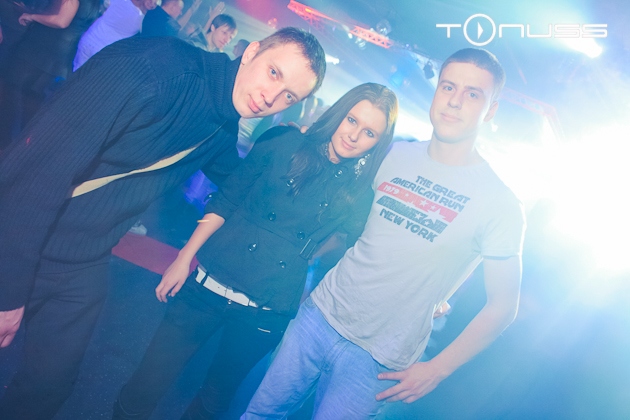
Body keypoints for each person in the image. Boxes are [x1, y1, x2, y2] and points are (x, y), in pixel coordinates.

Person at [0, 27, 325, 419]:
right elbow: (34, 175)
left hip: (82, 259)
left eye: (289, 96)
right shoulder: (153, 70)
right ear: (252, 51)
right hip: (20, 234)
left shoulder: (220, 126)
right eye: (274, 73)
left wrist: (296, 152)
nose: (272, 97)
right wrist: (8, 289)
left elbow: (241, 187)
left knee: (49, 384)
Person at [243, 48, 526, 419]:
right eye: (448, 87)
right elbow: (345, 211)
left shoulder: (500, 201)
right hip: (319, 316)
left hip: (381, 359)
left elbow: (503, 306)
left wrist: (437, 369)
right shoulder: (394, 154)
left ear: (490, 110)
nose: (455, 101)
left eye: (472, 94)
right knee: (257, 415)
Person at [113, 83, 399, 420]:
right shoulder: (284, 141)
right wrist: (184, 257)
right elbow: (227, 199)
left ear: (377, 144)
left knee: (214, 400)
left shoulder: (360, 193)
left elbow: (364, 246)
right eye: (352, 120)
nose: (354, 135)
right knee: (147, 382)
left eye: (369, 132)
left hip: (266, 311)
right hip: (209, 283)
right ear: (339, 113)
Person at [72, 0, 158, 71]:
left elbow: (105, 5)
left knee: (75, 75)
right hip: (104, 53)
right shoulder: (142, 20)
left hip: (90, 39)